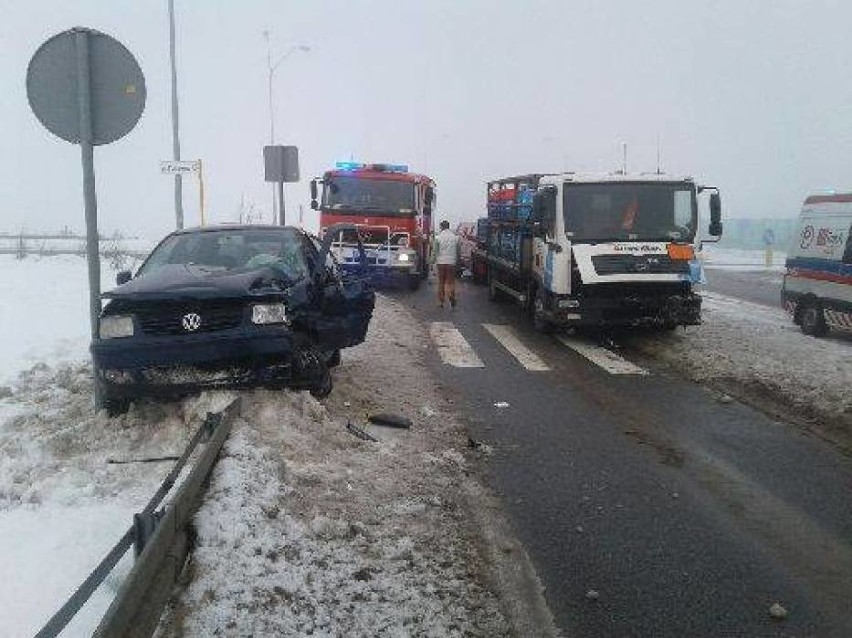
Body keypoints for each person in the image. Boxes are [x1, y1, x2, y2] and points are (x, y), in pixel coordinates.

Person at [431, 220, 461, 308]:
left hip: (441, 262)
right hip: (451, 262)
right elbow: (458, 251)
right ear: (448, 226)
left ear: (441, 227)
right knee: (451, 282)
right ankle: (451, 296)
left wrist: (431, 262)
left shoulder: (438, 238)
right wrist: (458, 262)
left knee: (441, 282)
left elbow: (435, 251)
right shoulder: (455, 238)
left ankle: (441, 302)